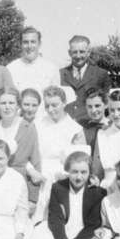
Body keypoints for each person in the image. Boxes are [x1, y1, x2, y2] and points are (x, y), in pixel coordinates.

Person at [28, 151, 106, 239]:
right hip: (62, 229)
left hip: (85, 234)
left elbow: (93, 224)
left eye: (83, 172)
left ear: (89, 172)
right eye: (74, 172)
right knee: (39, 235)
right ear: (68, 171)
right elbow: (55, 217)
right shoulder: (58, 188)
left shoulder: (97, 192)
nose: (79, 177)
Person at [32, 86, 87, 225]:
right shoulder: (38, 124)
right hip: (39, 173)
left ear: (64, 103)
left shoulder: (75, 129)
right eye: (47, 106)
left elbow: (81, 160)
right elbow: (29, 152)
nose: (51, 110)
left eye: (55, 105)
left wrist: (66, 174)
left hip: (64, 175)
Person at [0, 87, 42, 210]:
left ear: (18, 105)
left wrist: (33, 199)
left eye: (11, 103)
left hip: (19, 186)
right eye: (3, 103)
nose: (7, 107)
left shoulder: (28, 127)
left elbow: (36, 163)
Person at [61, 35, 111, 122]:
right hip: (66, 125)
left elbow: (106, 103)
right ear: (69, 53)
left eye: (82, 52)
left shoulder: (101, 74)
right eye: (74, 52)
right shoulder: (60, 74)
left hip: (91, 126)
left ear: (88, 52)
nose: (78, 55)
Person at [7, 26, 59, 94]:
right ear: (20, 44)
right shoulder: (10, 69)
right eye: (25, 42)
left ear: (39, 44)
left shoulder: (51, 69)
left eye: (33, 42)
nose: (29, 46)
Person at [79, 88, 110, 155]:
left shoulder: (112, 127)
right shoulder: (82, 128)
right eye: (90, 106)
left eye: (97, 106)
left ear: (106, 105)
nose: (93, 110)